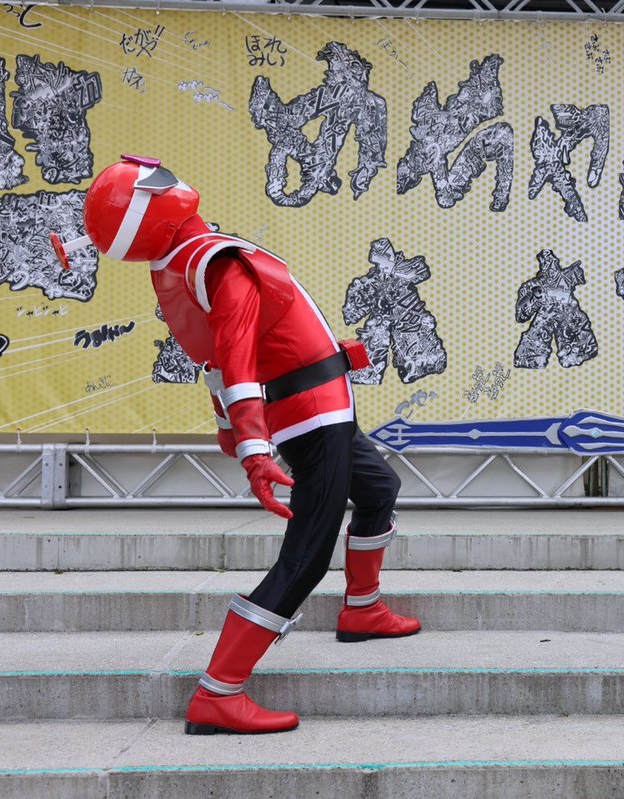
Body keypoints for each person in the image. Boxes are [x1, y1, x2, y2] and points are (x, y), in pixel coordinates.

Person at [51, 155, 420, 735]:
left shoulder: (184, 266)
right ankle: (219, 691)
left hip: (322, 410)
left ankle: (363, 608)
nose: (166, 179)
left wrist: (232, 428)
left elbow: (217, 363)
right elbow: (237, 358)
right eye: (153, 182)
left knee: (380, 489)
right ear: (151, 208)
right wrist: (252, 449)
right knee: (305, 558)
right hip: (313, 418)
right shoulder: (214, 262)